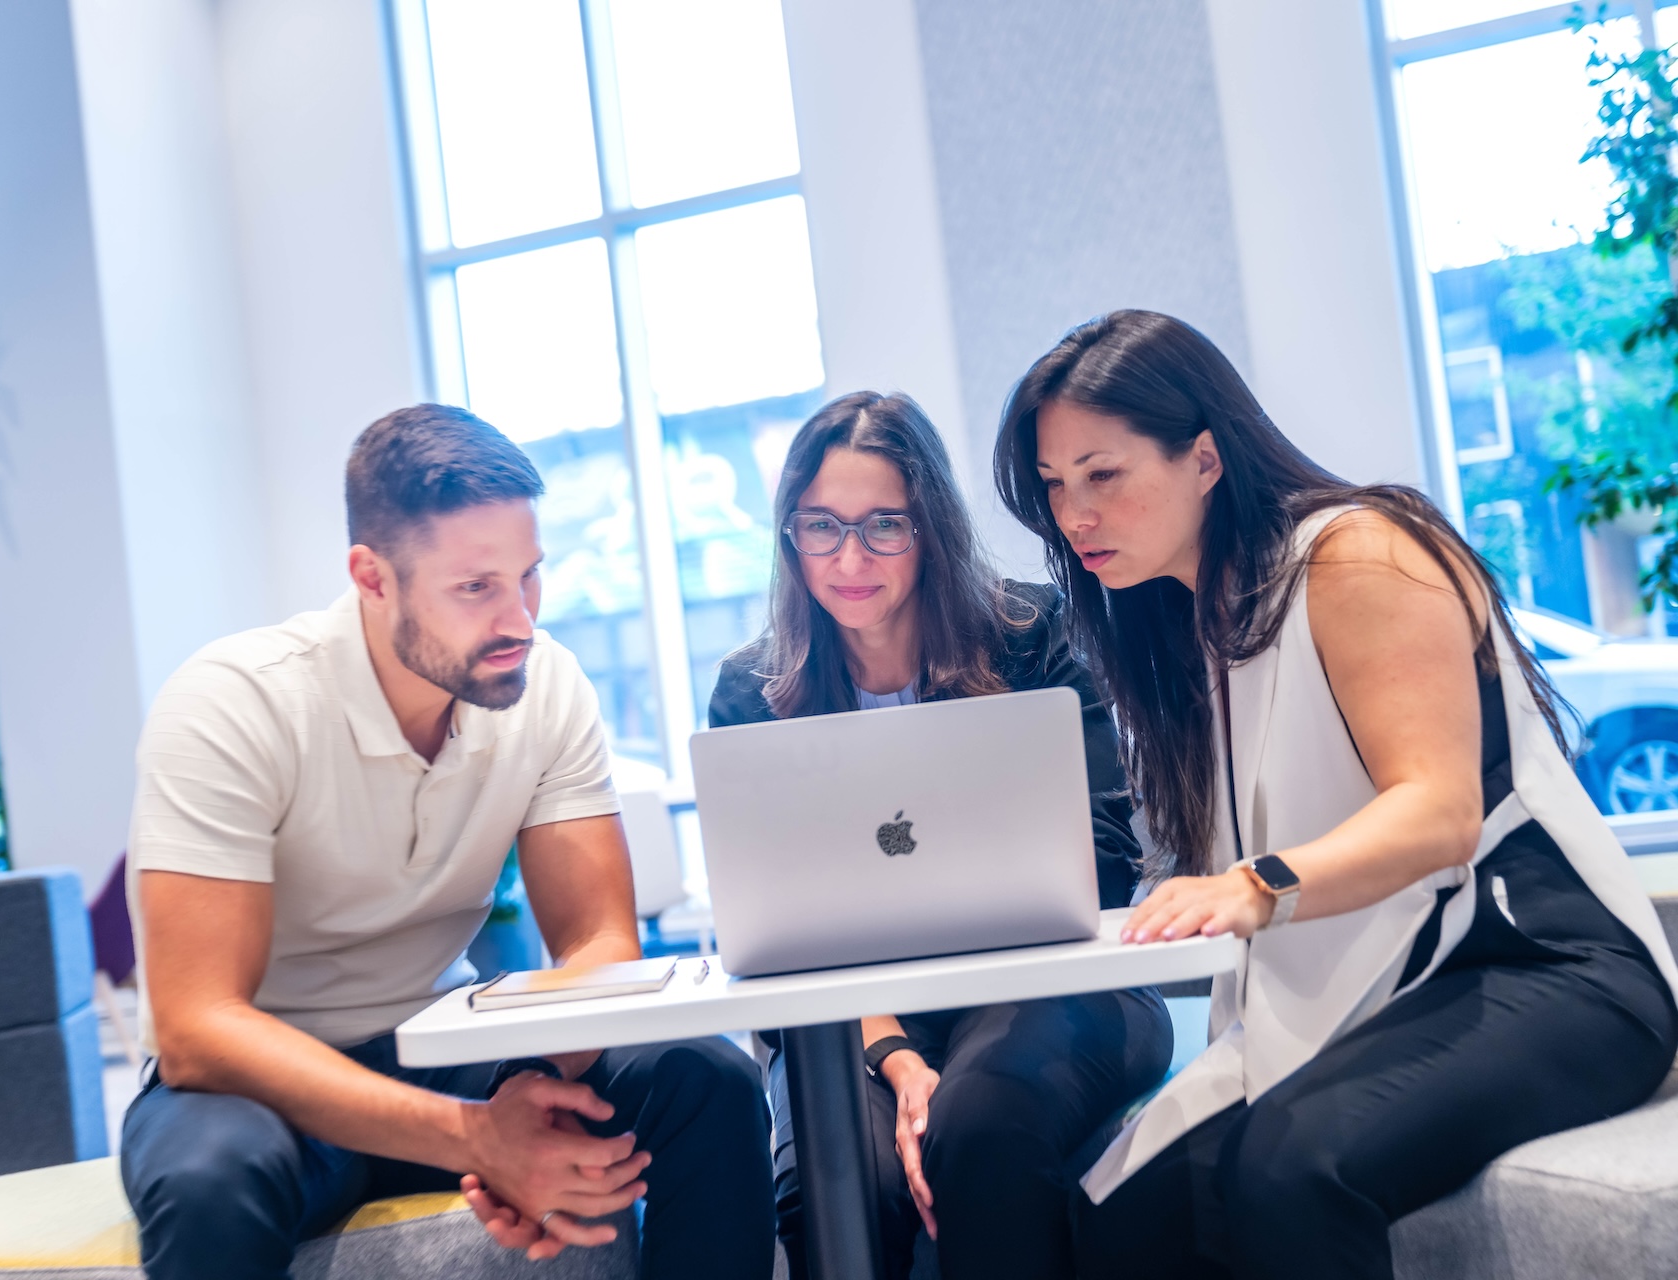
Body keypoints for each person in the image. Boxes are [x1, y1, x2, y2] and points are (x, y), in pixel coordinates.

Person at [991, 310, 1678, 1280]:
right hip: (1388, 980)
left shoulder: (1360, 550)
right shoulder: (1195, 619)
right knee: (1122, 1215)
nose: (1074, 515)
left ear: (1204, 458)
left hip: (1545, 965)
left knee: (1290, 1169)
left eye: (1102, 474)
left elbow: (1439, 811)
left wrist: (1255, 885)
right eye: (1055, 485)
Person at [119, 404, 775, 1280]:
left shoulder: (545, 686)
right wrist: (476, 1139)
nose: (520, 620)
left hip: (442, 1045)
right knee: (209, 1182)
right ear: (372, 577)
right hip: (260, 1085)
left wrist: (529, 1089)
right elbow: (199, 1027)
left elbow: (597, 940)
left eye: (529, 576)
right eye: (475, 588)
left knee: (707, 1082)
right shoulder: (235, 703)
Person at [708, 391, 1172, 1280]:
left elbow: (1103, 863)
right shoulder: (753, 691)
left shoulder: (1030, 635)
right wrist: (895, 1053)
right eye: (821, 526)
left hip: (1048, 985)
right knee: (843, 1181)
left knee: (983, 1125)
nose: (850, 558)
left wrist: (949, 1062)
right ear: (788, 534)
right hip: (849, 1016)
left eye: (884, 525)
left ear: (932, 528)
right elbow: (776, 926)